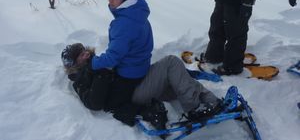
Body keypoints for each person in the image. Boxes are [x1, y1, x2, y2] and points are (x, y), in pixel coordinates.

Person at [62, 43, 223, 129]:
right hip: (133, 92)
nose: (87, 54)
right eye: (81, 55)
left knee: (181, 79)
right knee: (171, 62)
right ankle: (194, 109)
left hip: (137, 82)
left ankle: (214, 103)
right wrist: (100, 72)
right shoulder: (81, 80)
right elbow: (94, 103)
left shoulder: (97, 62)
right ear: (75, 64)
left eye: (84, 50)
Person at [62, 0, 154, 113]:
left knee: (115, 106)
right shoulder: (138, 14)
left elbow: (113, 57)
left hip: (131, 74)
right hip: (138, 66)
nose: (109, 0)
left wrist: (95, 65)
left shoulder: (124, 23)